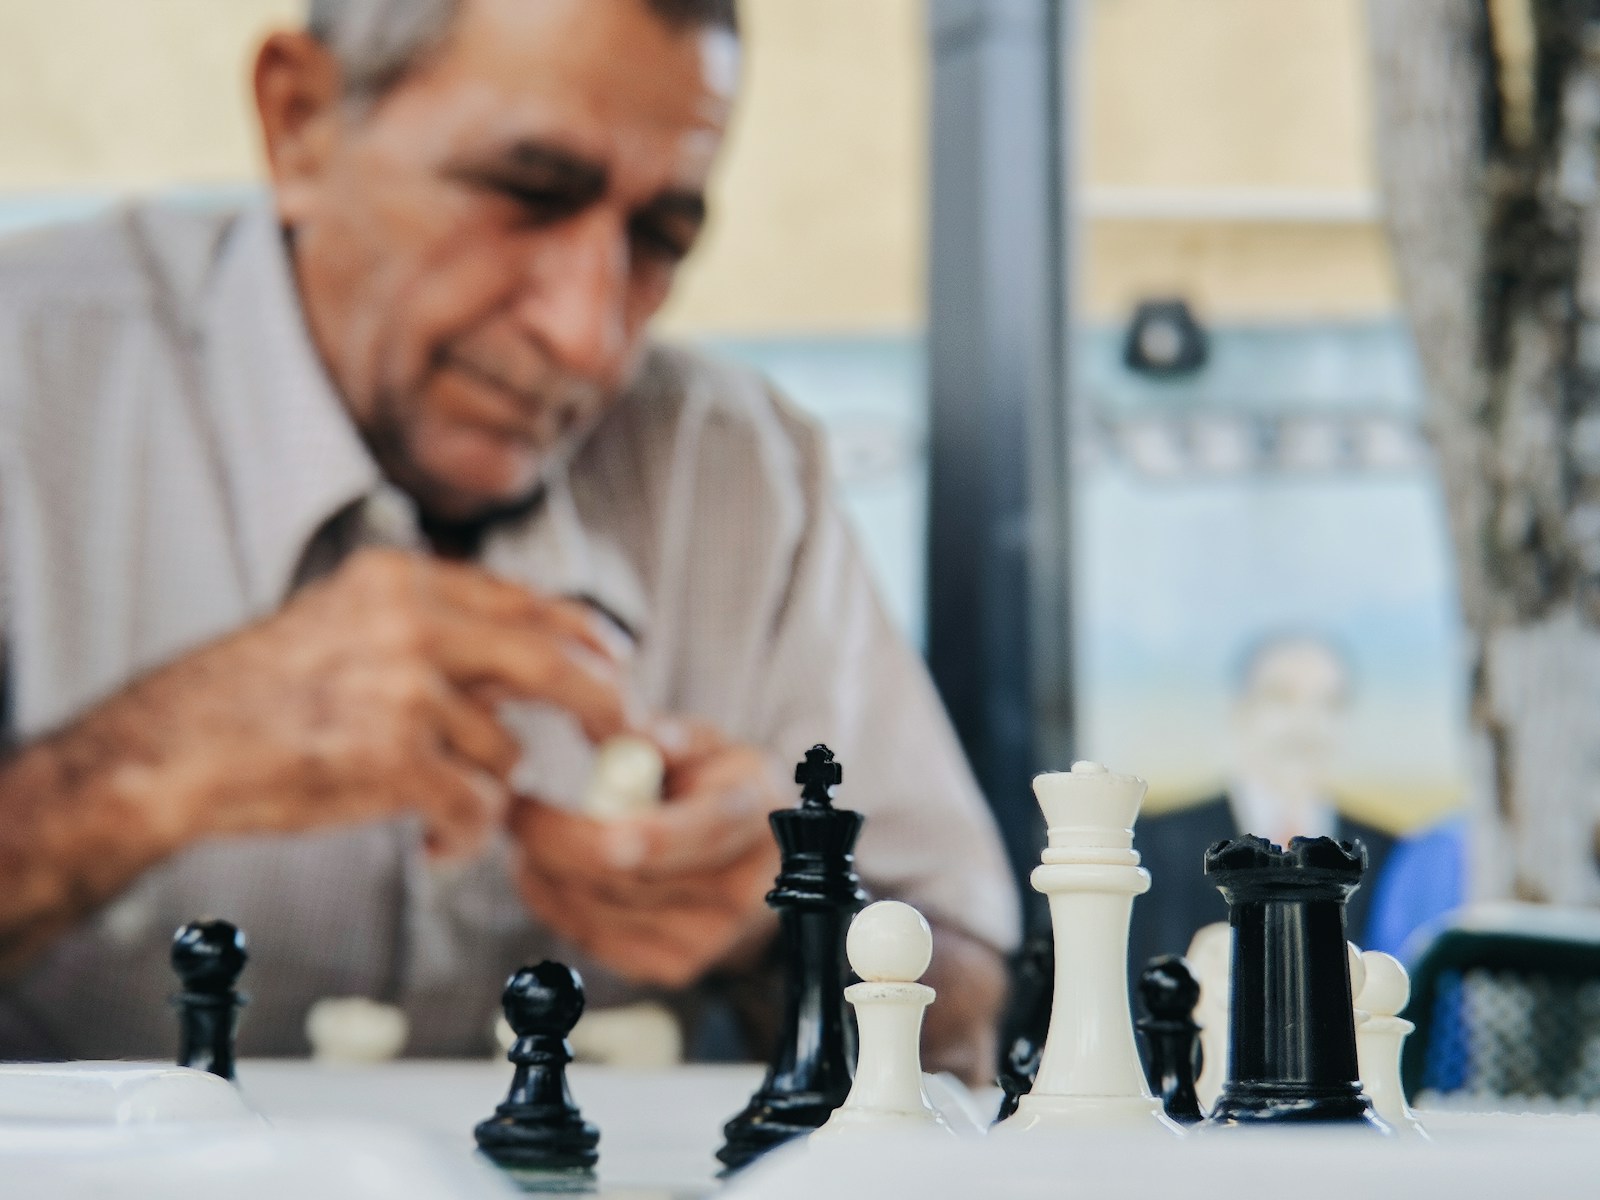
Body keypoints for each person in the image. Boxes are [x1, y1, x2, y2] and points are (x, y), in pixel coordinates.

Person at [0, 0, 1017, 1080]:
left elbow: (961, 1019)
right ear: (300, 121)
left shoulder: (741, 473)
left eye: (659, 237)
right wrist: (135, 773)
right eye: (524, 193)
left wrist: (785, 915)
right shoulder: (30, 378)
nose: (584, 334)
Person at [1130, 634, 1462, 975]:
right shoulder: (1159, 846)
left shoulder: (1386, 854)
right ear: (1240, 710)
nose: (1305, 723)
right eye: (1281, 698)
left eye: (1328, 703)